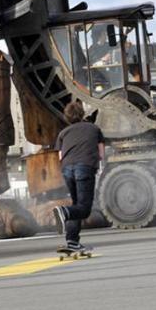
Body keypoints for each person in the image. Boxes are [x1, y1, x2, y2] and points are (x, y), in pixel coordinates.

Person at [52, 100, 105, 252]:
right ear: (82, 114)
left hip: (67, 169)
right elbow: (101, 154)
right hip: (85, 167)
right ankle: (64, 212)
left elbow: (60, 156)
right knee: (85, 209)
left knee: (77, 205)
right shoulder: (94, 129)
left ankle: (72, 241)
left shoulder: (63, 133)